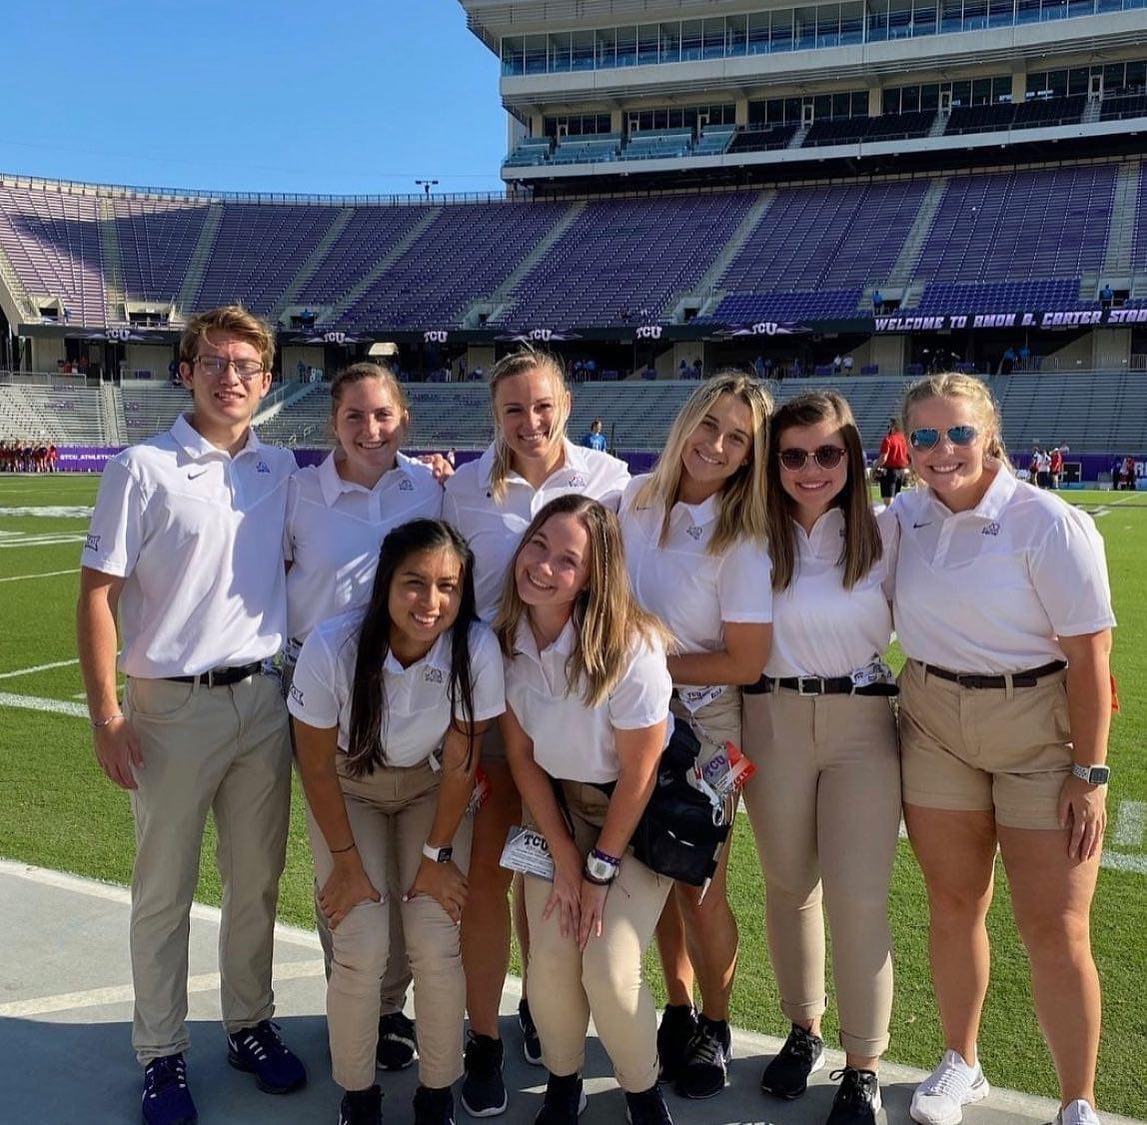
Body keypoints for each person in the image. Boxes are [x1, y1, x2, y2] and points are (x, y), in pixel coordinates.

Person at [76, 306, 307, 1125]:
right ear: (186, 371)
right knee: (163, 889)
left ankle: (247, 1022)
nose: (231, 376)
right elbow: (97, 594)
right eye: (214, 361)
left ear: (267, 379)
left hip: (263, 701)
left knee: (257, 883)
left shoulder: (281, 468)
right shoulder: (140, 466)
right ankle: (161, 1052)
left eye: (247, 363)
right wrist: (106, 714)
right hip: (170, 708)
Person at [890, 374, 1115, 1125]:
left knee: (1055, 925)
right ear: (905, 444)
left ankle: (1076, 1099)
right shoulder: (904, 515)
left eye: (957, 433)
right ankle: (961, 1059)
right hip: (932, 721)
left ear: (989, 434)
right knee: (953, 903)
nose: (941, 450)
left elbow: (1089, 658)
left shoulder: (1044, 521)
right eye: (923, 436)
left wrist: (1089, 772)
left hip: (1037, 727)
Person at [441, 349, 630, 1116]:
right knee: (488, 875)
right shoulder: (461, 487)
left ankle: (543, 1011)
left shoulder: (610, 479)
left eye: (542, 405)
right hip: (493, 710)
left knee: (549, 877)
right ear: (495, 413)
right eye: (513, 409)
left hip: (578, 714)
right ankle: (482, 1036)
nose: (530, 421)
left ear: (567, 400)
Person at [289, 520, 506, 1125]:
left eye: (448, 586)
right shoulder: (332, 646)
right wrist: (346, 863)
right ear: (385, 582)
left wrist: (437, 857)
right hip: (347, 787)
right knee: (360, 940)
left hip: (429, 791)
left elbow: (462, 762)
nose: (431, 603)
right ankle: (358, 1096)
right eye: (414, 583)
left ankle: (437, 1092)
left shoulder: (475, 647)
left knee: (435, 939)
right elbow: (314, 765)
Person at [743, 392, 900, 1125]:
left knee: (858, 896)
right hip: (768, 717)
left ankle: (863, 1063)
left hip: (862, 723)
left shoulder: (888, 530)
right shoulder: (745, 534)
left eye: (827, 453)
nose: (810, 468)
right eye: (794, 455)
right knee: (787, 884)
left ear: (852, 457)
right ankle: (802, 1028)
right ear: (771, 462)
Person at [284, 361, 446, 1072]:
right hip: (328, 705)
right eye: (355, 416)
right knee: (350, 887)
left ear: (402, 417)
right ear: (333, 424)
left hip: (416, 706)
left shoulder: (430, 485)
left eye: (382, 415)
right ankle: (354, 1001)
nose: (370, 428)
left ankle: (387, 1010)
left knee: (408, 894)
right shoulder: (298, 493)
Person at [496, 494, 676, 1125]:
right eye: (537, 545)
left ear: (594, 575)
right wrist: (565, 860)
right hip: (557, 811)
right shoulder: (505, 641)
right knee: (548, 954)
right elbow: (522, 759)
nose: (542, 566)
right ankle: (564, 1081)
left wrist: (596, 871)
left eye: (567, 560)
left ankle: (640, 1089)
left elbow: (640, 772)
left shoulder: (632, 648)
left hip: (633, 817)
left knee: (606, 961)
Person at [617, 373, 773, 1099]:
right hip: (631, 715)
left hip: (707, 727)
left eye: (736, 436)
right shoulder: (633, 502)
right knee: (655, 867)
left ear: (749, 455)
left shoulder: (743, 538)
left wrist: (648, 661)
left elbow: (744, 658)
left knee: (700, 881)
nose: (715, 443)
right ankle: (676, 1007)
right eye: (709, 424)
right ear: (686, 421)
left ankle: (714, 1020)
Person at [873, 418, 909, 506]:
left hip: (889, 472)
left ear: (893, 427)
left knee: (888, 502)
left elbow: (883, 458)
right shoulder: (904, 440)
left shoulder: (888, 440)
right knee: (897, 500)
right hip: (901, 471)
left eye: (889, 426)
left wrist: (874, 468)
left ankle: (891, 519)